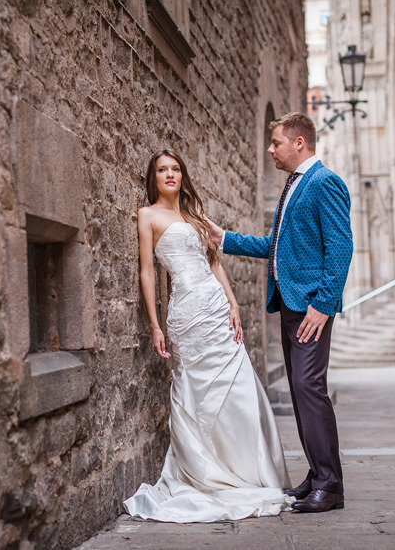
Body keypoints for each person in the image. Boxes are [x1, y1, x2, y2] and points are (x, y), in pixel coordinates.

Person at [123, 149, 293, 522]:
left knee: (239, 385)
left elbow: (214, 261)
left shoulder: (195, 214)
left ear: (183, 175)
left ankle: (247, 470)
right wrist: (154, 324)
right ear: (154, 178)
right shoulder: (147, 216)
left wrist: (233, 303)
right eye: (162, 170)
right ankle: (205, 469)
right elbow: (148, 271)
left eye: (175, 169)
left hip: (216, 308)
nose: (170, 174)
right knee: (194, 391)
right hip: (186, 315)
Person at [206, 112, 352, 513]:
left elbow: (341, 248)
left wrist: (323, 305)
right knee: (302, 390)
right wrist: (225, 239)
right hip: (291, 305)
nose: (270, 149)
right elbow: (277, 246)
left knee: (309, 388)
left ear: (299, 142)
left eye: (276, 142)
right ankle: (319, 475)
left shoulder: (324, 182)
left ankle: (330, 485)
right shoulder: (295, 184)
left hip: (310, 308)